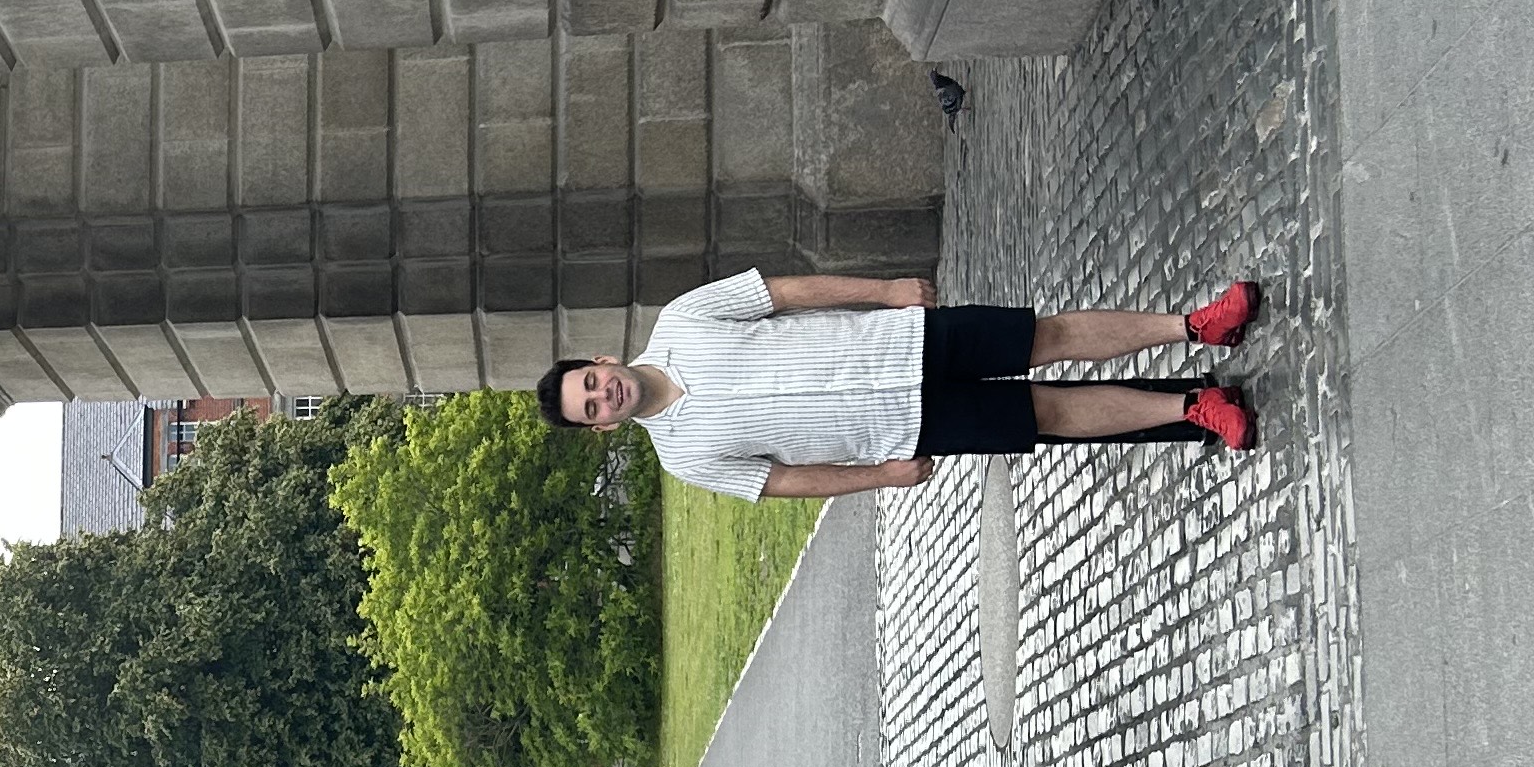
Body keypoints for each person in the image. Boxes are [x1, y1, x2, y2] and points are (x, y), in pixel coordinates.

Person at [532, 272, 1261, 500]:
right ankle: (1194, 407)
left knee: (1050, 337)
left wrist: (884, 291)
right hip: (896, 426)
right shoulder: (682, 457)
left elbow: (782, 293)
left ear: (599, 359)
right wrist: (879, 475)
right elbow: (783, 481)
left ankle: (1195, 325)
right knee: (1049, 414)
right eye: (592, 406)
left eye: (591, 381)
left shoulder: (683, 318)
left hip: (899, 340)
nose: (604, 394)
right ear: (600, 426)